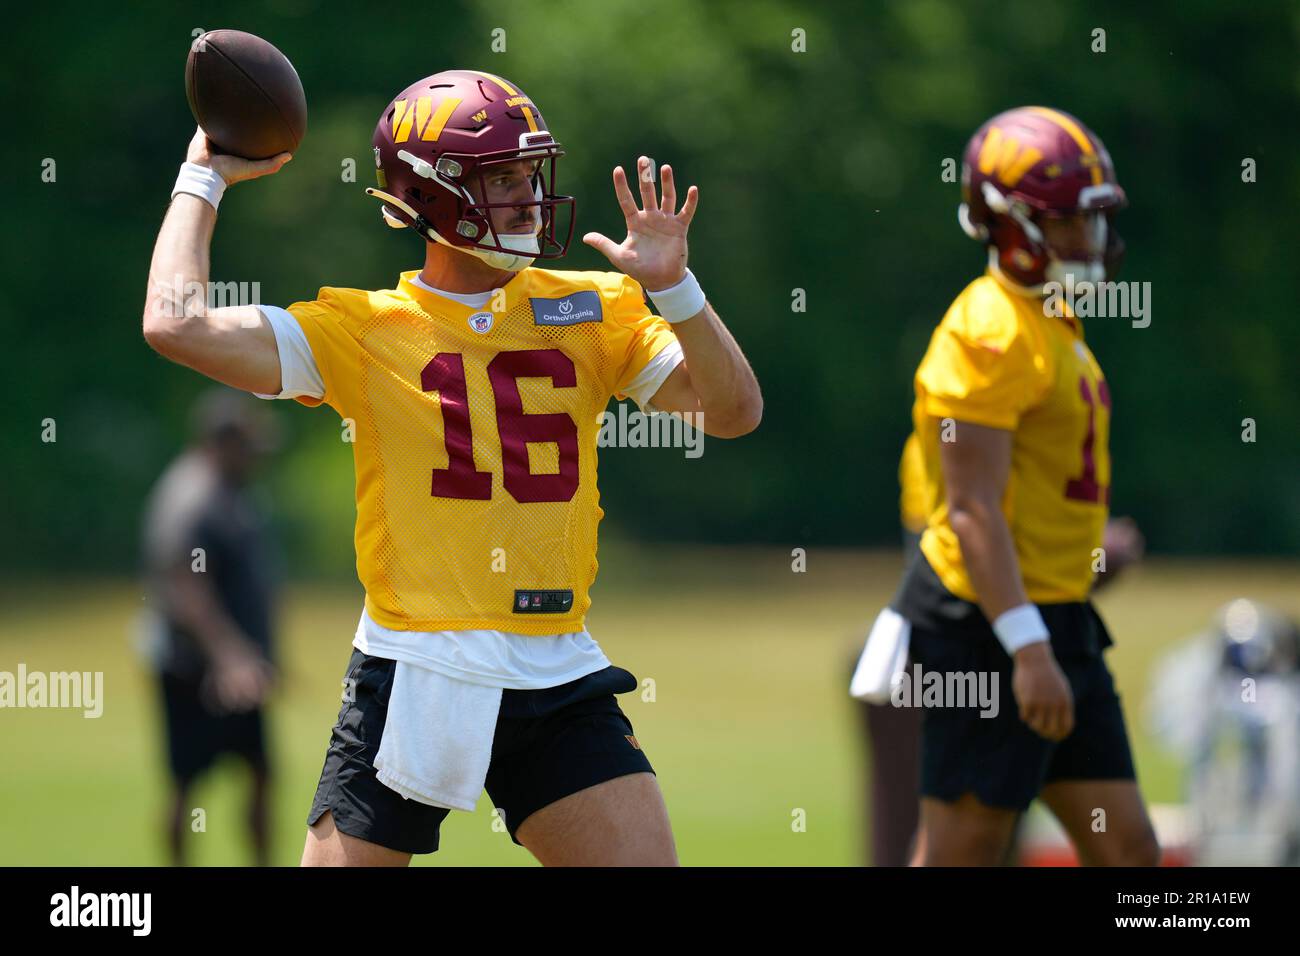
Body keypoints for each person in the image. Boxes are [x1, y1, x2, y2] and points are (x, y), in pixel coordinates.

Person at [141, 69, 762, 866]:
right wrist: (205, 175)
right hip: (417, 667)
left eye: (528, 174)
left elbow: (733, 412)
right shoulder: (364, 329)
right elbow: (174, 322)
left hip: (556, 664)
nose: (528, 197)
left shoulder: (594, 307)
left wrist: (677, 290)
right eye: (500, 177)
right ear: (432, 196)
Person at [890, 106, 1159, 866]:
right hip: (987, 627)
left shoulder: (1049, 312)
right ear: (1008, 222)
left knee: (1131, 848)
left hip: (1054, 615)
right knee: (963, 851)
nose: (1090, 238)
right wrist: (1027, 647)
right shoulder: (988, 329)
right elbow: (972, 511)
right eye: (1070, 221)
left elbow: (1032, 483)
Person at [141, 387, 280, 866]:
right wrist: (232, 657)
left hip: (235, 669)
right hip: (193, 670)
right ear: (222, 442)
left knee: (260, 774)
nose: (256, 459)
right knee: (185, 785)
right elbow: (186, 587)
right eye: (248, 447)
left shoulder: (228, 492)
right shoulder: (192, 498)